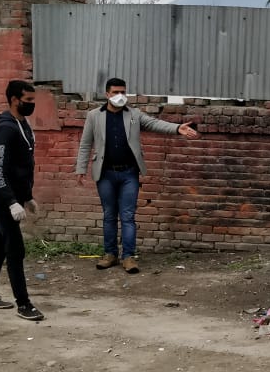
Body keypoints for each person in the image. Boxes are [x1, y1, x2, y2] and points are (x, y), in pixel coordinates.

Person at [75, 78, 199, 273]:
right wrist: (80, 169)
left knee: (127, 215)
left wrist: (177, 128)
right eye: (115, 92)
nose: (120, 96)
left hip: (129, 173)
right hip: (105, 173)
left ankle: (129, 257)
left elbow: (155, 124)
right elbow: (85, 143)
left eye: (123, 92)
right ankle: (110, 254)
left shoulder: (134, 114)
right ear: (107, 94)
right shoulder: (94, 116)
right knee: (109, 215)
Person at [0, 79, 44, 321]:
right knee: (15, 249)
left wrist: (27, 197)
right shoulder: (6, 128)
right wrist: (11, 201)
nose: (31, 105)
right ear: (15, 100)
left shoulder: (22, 125)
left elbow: (22, 167)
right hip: (3, 201)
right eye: (28, 101)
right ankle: (23, 304)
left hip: (15, 197)